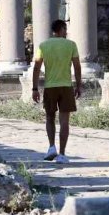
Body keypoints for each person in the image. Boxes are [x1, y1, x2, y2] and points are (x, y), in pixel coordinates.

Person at [31, 19, 82, 163]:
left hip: (49, 86)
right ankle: (62, 154)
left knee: (49, 118)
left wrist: (35, 88)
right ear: (62, 29)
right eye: (65, 30)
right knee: (64, 121)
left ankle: (51, 146)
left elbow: (36, 67)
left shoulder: (43, 45)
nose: (66, 32)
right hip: (66, 86)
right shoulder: (71, 45)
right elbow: (77, 67)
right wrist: (79, 85)